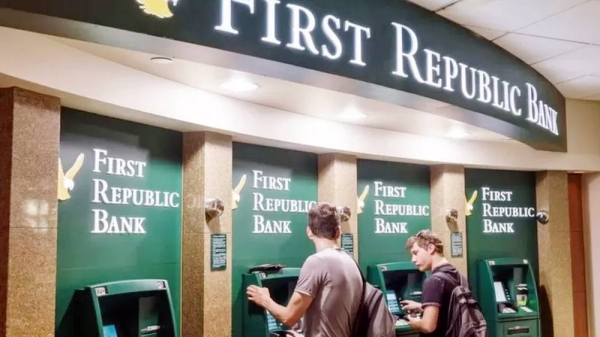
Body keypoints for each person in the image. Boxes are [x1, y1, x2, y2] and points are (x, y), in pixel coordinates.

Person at [247, 203, 363, 337]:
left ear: (309, 232)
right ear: (338, 232)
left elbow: (288, 318)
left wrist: (265, 299)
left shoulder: (316, 262)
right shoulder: (351, 262)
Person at [400, 229, 466, 336]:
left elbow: (428, 326)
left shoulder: (433, 281)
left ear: (431, 248)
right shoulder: (458, 275)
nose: (413, 259)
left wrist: (411, 321)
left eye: (415, 253)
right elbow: (449, 309)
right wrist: (422, 306)